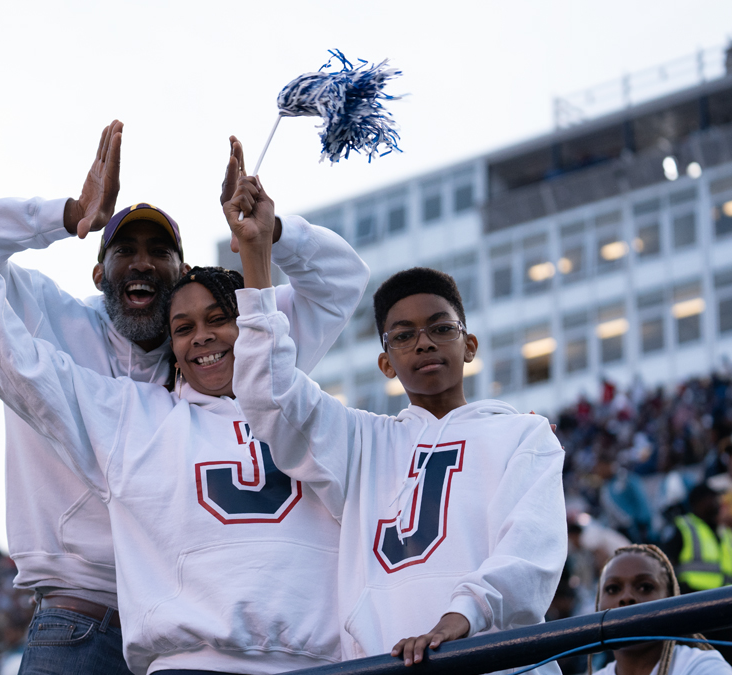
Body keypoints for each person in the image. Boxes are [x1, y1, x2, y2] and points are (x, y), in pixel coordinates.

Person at [0, 123, 368, 674]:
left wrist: (271, 234)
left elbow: (342, 280)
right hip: (85, 616)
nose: (143, 263)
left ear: (183, 274)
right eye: (125, 249)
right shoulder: (53, 323)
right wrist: (67, 213)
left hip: (208, 628)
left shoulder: (247, 356)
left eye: (161, 252)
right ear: (99, 269)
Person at [230, 184, 567, 671]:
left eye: (440, 328)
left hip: (494, 659)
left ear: (469, 344)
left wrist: (462, 616)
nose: (424, 343)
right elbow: (268, 394)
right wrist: (259, 259)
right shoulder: (361, 442)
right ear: (387, 364)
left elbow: (530, 550)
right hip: (384, 662)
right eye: (404, 336)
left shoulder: (523, 435)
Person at [590, 544, 731, 675]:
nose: (626, 597)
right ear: (598, 605)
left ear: (670, 599)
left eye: (645, 587)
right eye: (612, 589)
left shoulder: (703, 667)